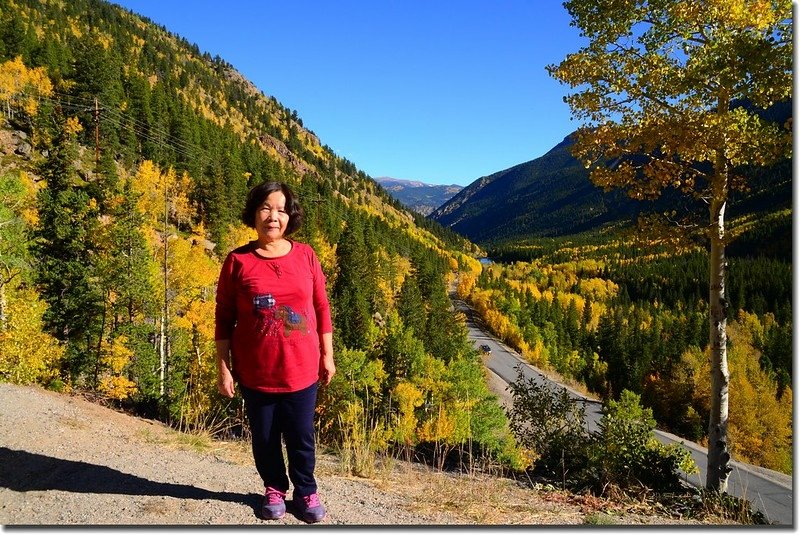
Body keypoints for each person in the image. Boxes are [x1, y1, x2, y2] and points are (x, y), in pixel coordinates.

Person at [215, 181, 335, 523]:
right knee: (265, 437)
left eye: (281, 209)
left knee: (301, 436)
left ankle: (306, 490)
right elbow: (223, 317)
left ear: (290, 217)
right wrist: (223, 367)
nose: (273, 216)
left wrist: (328, 354)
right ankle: (274, 488)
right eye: (266, 208)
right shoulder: (238, 260)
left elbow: (322, 307)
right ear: (254, 213)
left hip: (301, 368)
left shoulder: (306, 254)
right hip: (256, 371)